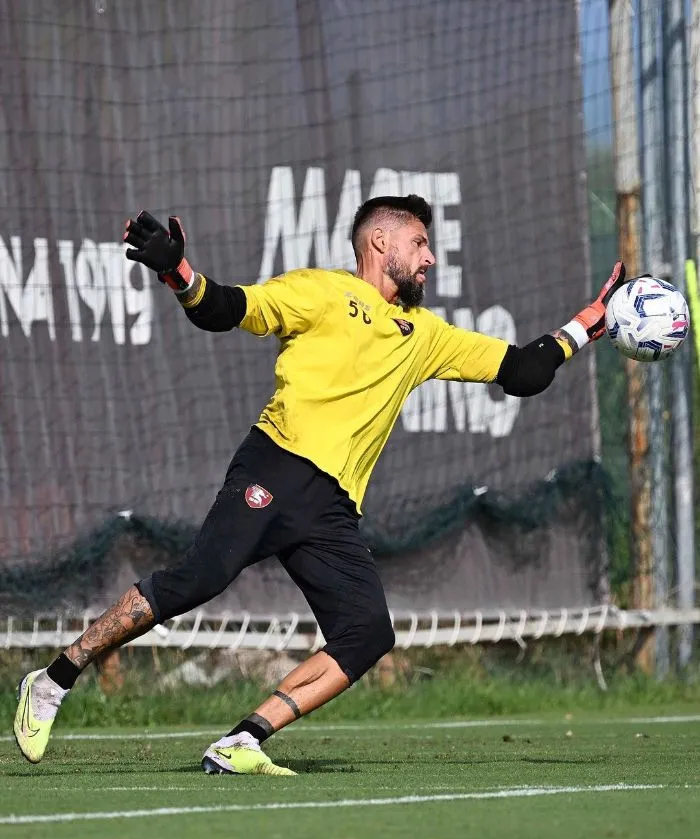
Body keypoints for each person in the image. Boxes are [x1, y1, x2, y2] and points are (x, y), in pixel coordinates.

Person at [14, 195, 626, 775]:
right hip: (276, 465)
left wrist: (586, 324)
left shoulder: (424, 335)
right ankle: (53, 680)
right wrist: (178, 272)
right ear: (380, 242)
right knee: (200, 578)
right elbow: (224, 309)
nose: (430, 258)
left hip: (333, 508)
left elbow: (523, 371)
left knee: (367, 632)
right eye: (419, 243)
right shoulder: (322, 292)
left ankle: (242, 740)